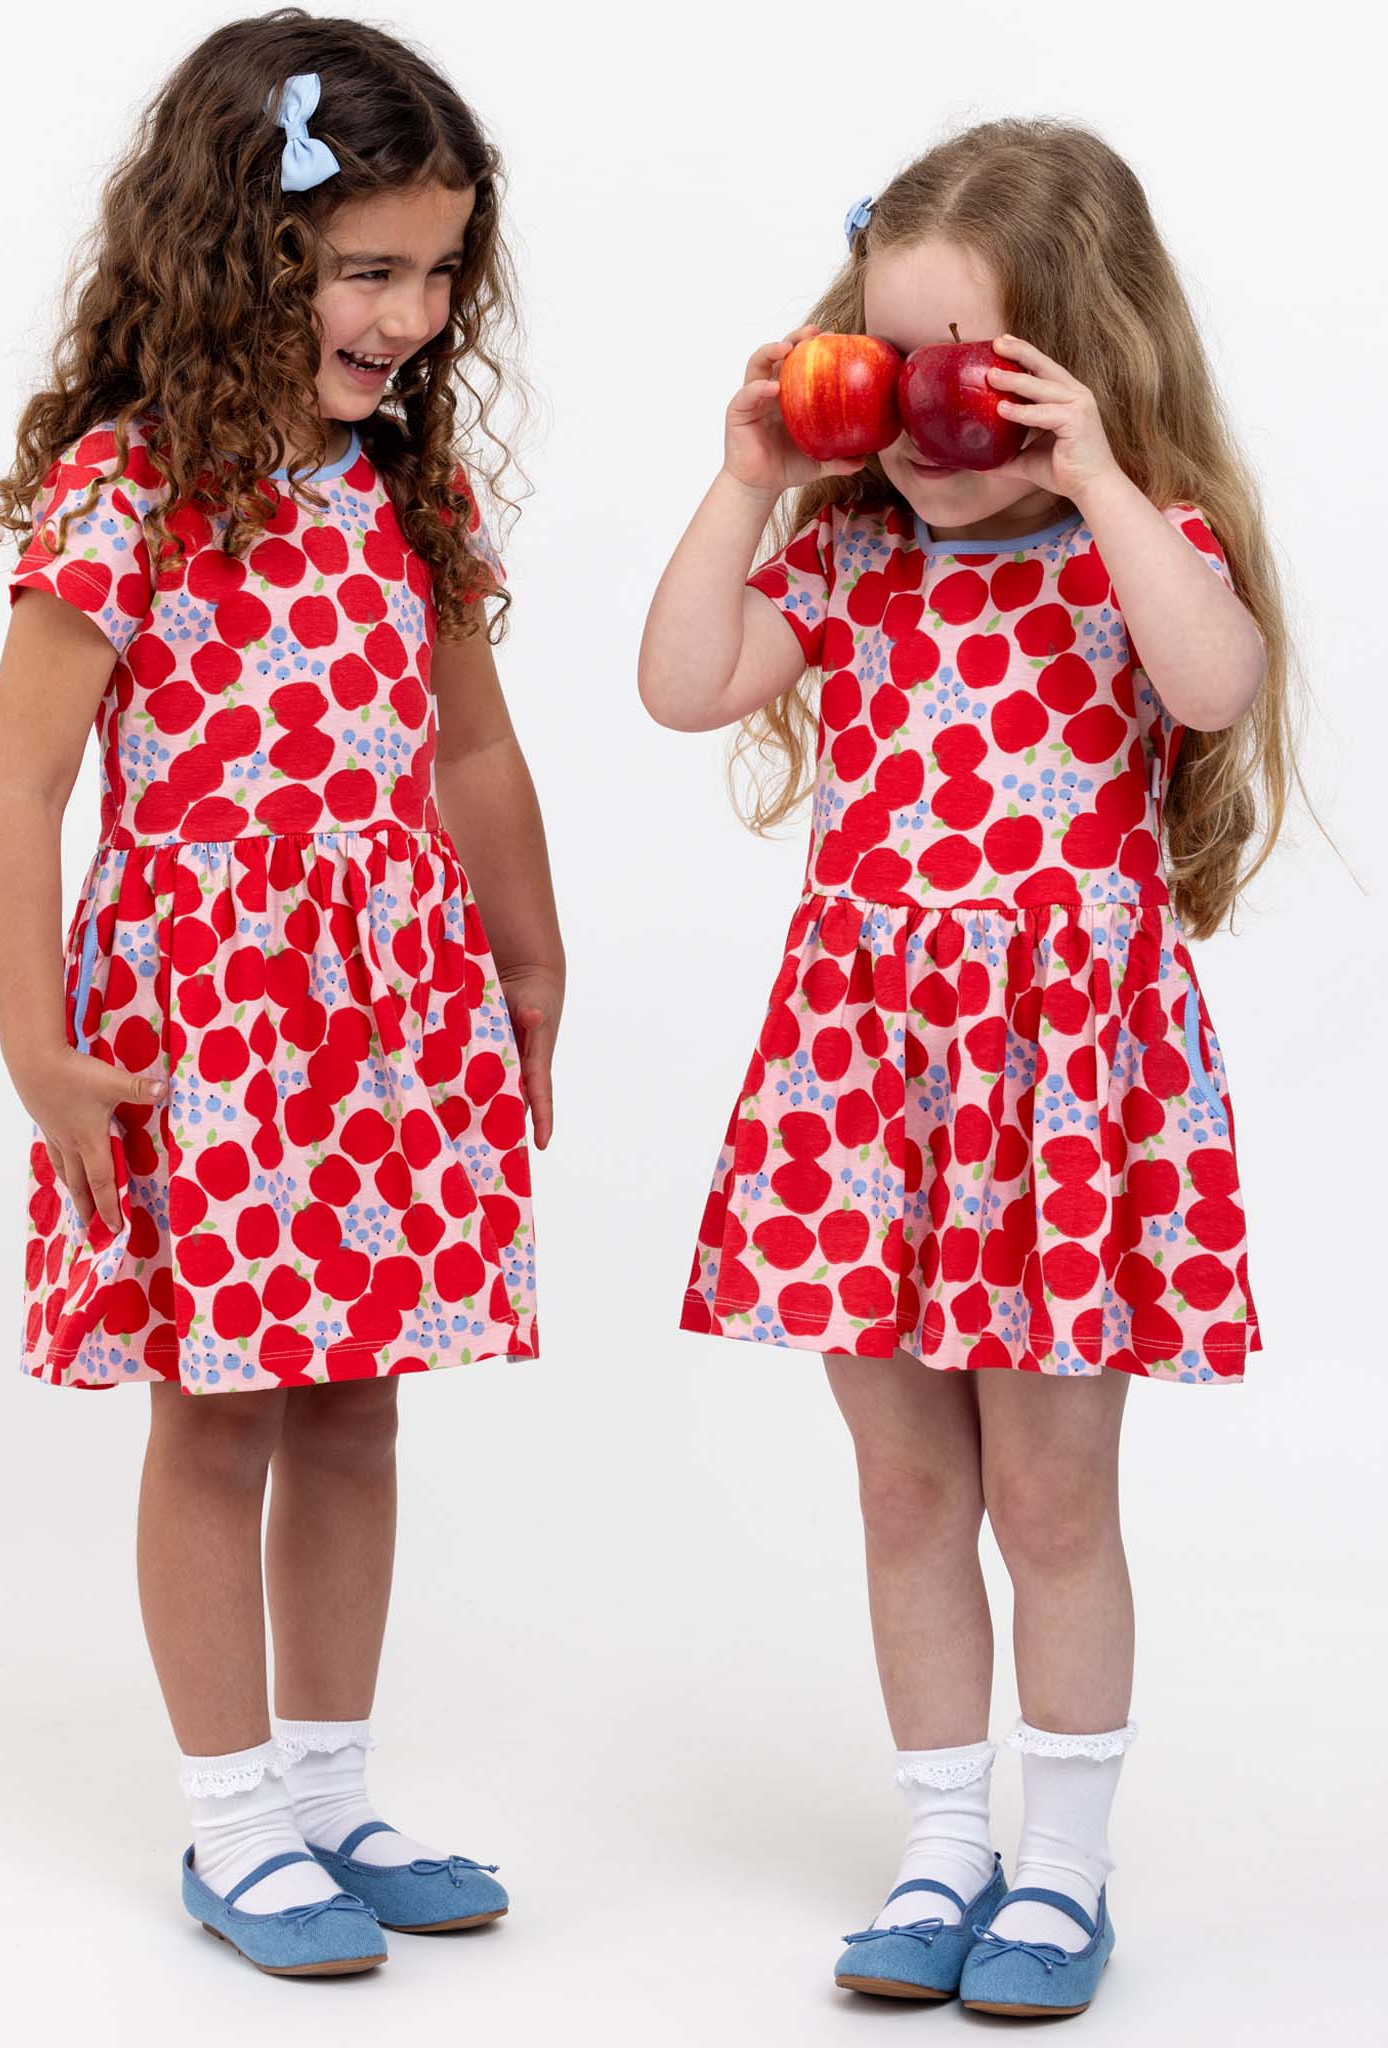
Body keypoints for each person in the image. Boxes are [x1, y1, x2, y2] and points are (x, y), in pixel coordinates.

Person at [639, 117, 1293, 2018]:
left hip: (1059, 1095)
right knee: (908, 1493)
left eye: (974, 383)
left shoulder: (1137, 551)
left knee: (1054, 1501)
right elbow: (683, 682)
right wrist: (749, 475)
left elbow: (1215, 686)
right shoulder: (847, 563)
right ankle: (943, 1841)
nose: (925, 428)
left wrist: (1091, 474)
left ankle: (1064, 1867)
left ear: (1079, 368)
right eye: (889, 371)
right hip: (869, 1091)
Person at [0, 9, 563, 1979]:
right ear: (244, 253)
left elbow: (469, 748)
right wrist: (35, 1042)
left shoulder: (414, 491)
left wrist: (530, 951)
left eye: (439, 268)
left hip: (388, 1012)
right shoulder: (126, 490)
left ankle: (331, 1785)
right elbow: (25, 782)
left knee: (358, 1408)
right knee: (214, 1417)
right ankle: (233, 1818)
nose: (414, 309)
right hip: (208, 1023)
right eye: (369, 266)